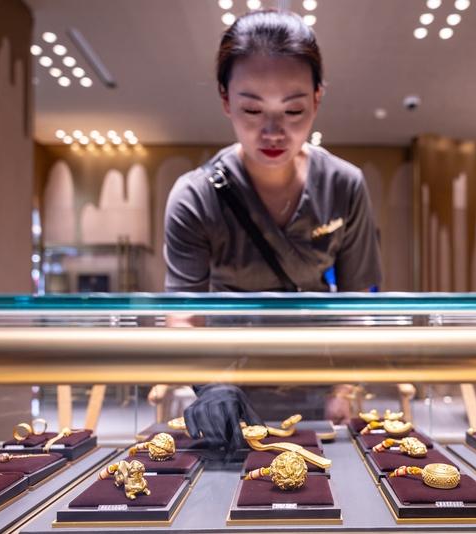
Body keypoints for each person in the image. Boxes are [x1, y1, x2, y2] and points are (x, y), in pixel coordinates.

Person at [163, 9, 382, 452]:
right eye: (251, 108)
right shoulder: (196, 196)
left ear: (317, 98)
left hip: (317, 387)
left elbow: (358, 305)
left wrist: (343, 388)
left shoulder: (344, 185)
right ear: (225, 100)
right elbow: (182, 315)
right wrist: (212, 387)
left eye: (294, 109)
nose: (273, 131)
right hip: (226, 391)